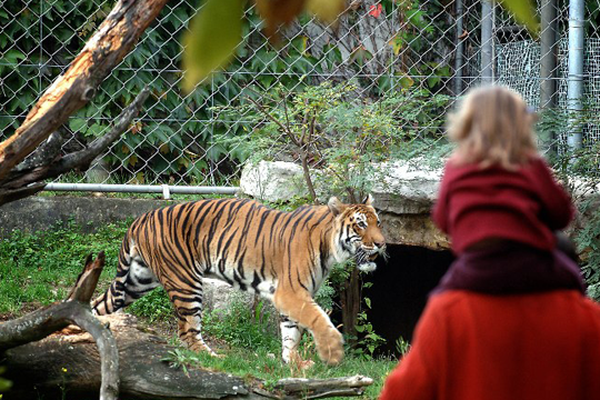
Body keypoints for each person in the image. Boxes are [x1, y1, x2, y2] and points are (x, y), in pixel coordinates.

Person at [379, 85, 600, 400]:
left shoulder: (448, 317)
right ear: (523, 127)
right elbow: (561, 213)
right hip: (542, 274)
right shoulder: (586, 322)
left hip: (475, 273)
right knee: (567, 263)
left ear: (464, 127)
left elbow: (442, 218)